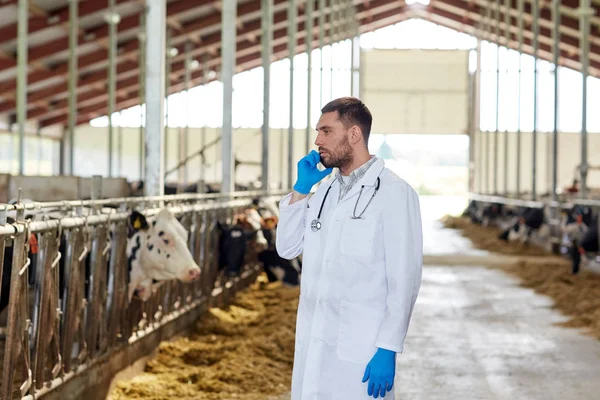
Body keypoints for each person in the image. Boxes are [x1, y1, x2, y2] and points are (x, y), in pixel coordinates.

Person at [276, 97, 423, 399]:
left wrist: (389, 346)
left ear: (354, 135)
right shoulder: (321, 192)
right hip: (313, 342)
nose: (317, 140)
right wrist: (301, 190)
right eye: (318, 131)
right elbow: (287, 248)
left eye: (326, 131)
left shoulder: (395, 194)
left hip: (361, 349)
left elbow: (404, 280)